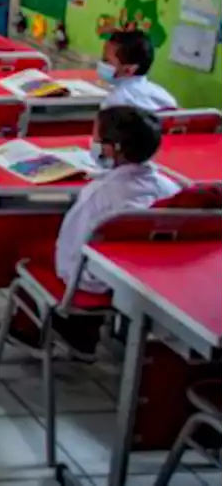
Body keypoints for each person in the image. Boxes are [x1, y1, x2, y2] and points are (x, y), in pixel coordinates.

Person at [10, 106, 180, 358]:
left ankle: (40, 328)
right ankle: (82, 332)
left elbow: (68, 254)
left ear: (113, 148)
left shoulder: (98, 194)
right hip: (142, 278)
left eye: (96, 138)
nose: (93, 143)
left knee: (33, 249)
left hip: (91, 283)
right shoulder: (169, 188)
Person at [98, 30, 177, 112]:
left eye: (106, 61)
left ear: (128, 70)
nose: (102, 64)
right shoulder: (164, 96)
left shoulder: (114, 102)